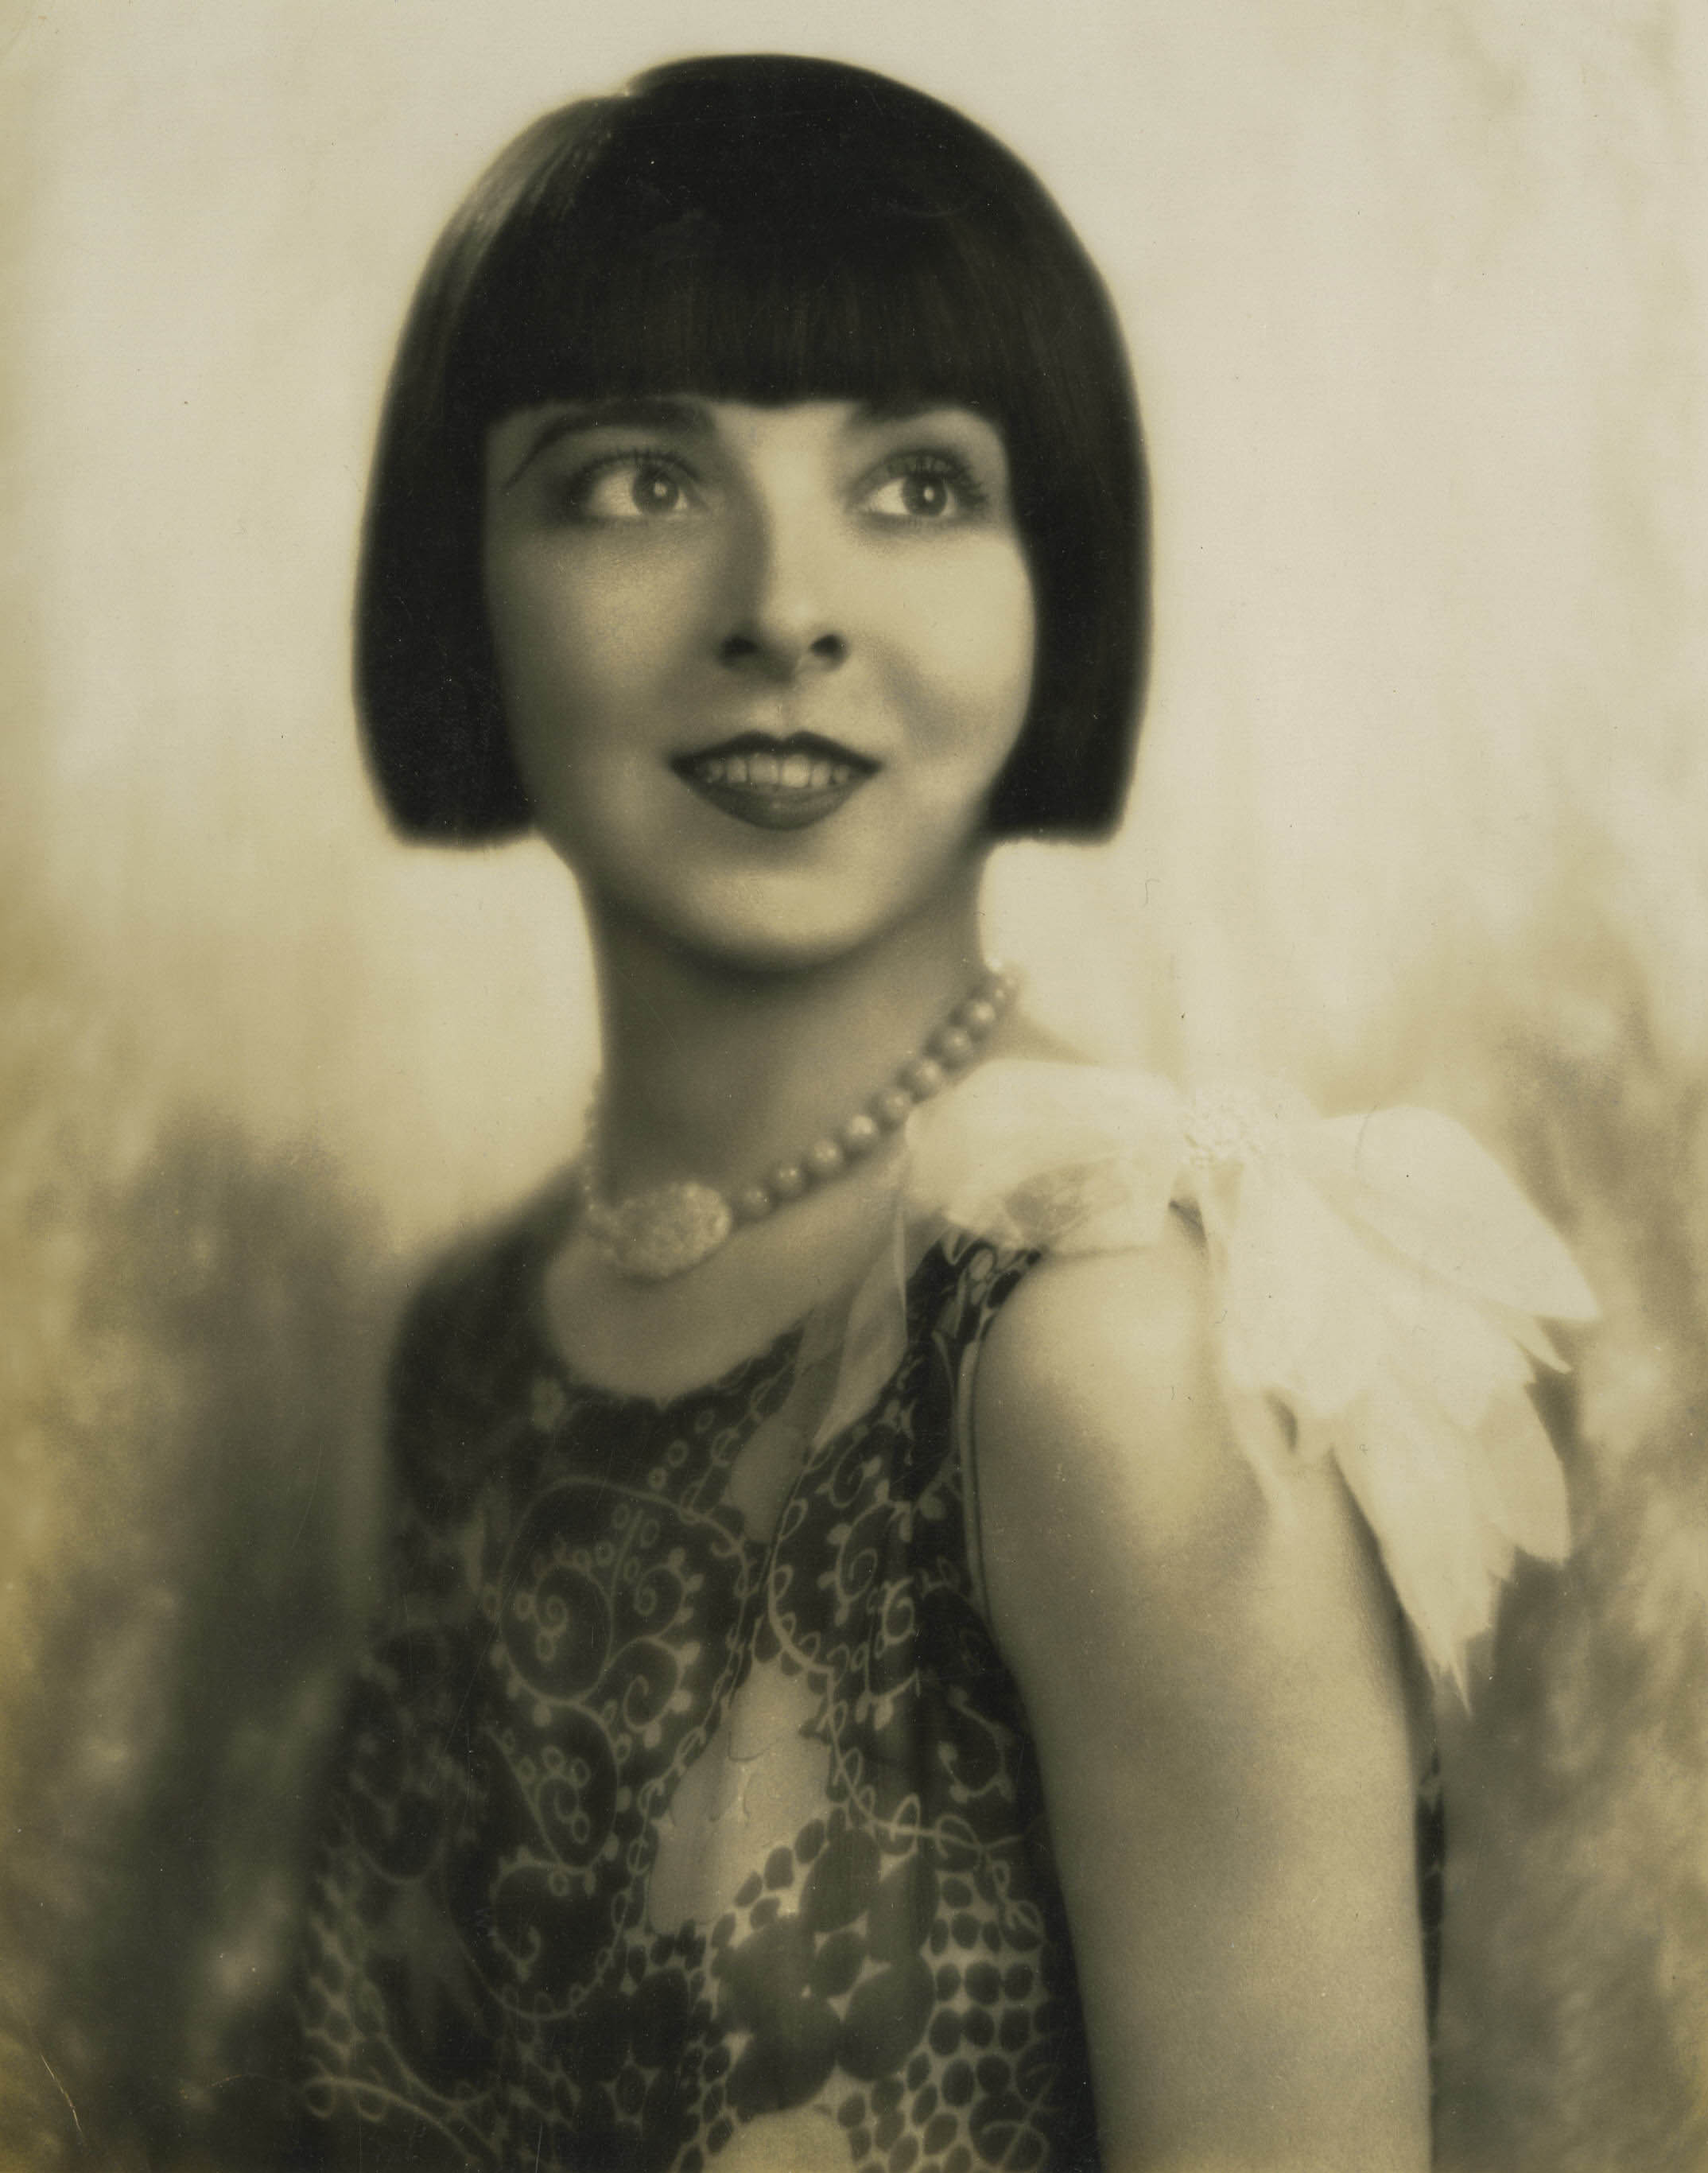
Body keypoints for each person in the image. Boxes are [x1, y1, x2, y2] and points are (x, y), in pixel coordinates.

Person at [280, 53, 1595, 2173]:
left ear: (1054, 581)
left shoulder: (1107, 1350)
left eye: (914, 485)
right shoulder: (467, 1336)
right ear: (463, 576)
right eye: (636, 481)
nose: (783, 608)